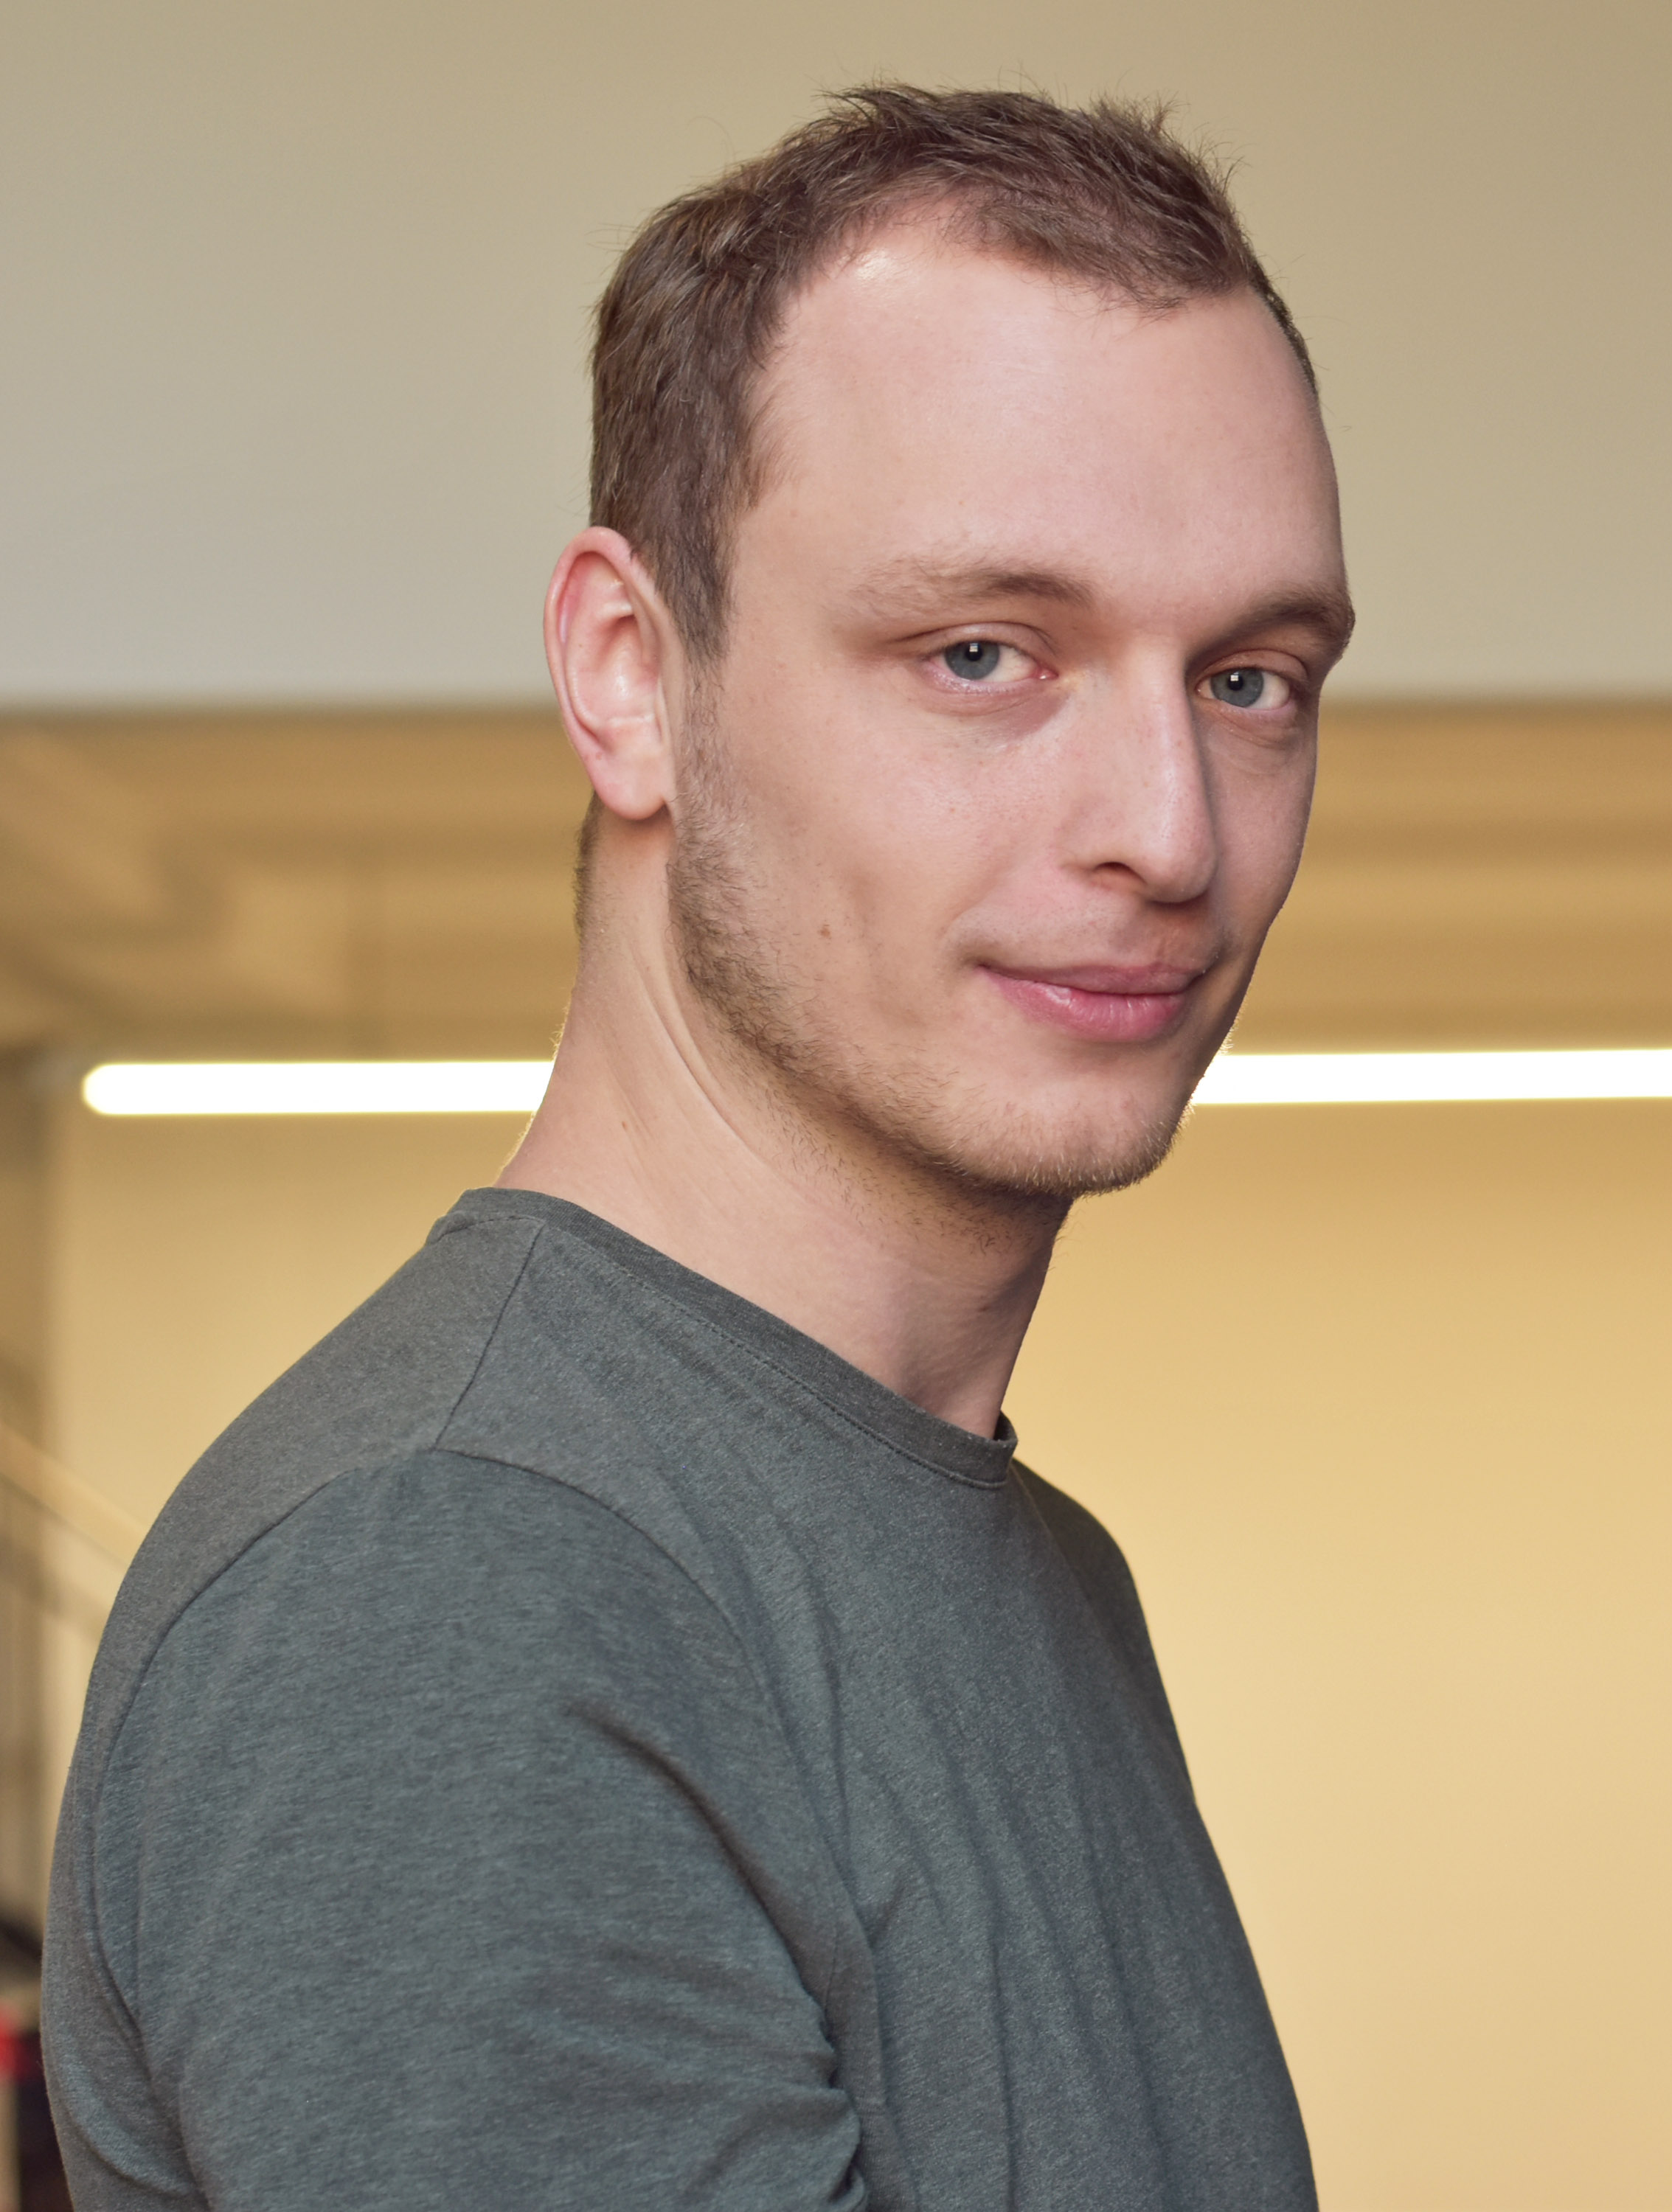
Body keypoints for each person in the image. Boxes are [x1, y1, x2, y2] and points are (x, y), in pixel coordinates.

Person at [44, 85, 1350, 2211]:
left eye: (1253, 680)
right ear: (631, 679)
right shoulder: (460, 1589)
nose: (1170, 829)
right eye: (984, 655)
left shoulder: (1012, 1568)